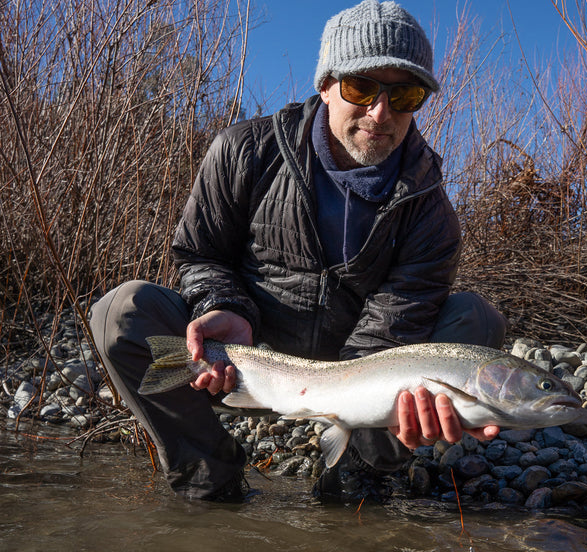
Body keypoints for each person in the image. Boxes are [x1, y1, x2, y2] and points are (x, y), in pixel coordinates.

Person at [89, 0, 507, 503]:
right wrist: (224, 310)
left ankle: (354, 480)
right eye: (361, 88)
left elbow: (400, 318)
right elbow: (201, 255)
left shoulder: (430, 209)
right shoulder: (243, 150)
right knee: (122, 311)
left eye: (405, 94)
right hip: (244, 362)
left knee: (474, 321)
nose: (381, 112)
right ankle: (209, 476)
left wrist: (380, 400)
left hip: (361, 374)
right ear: (326, 85)